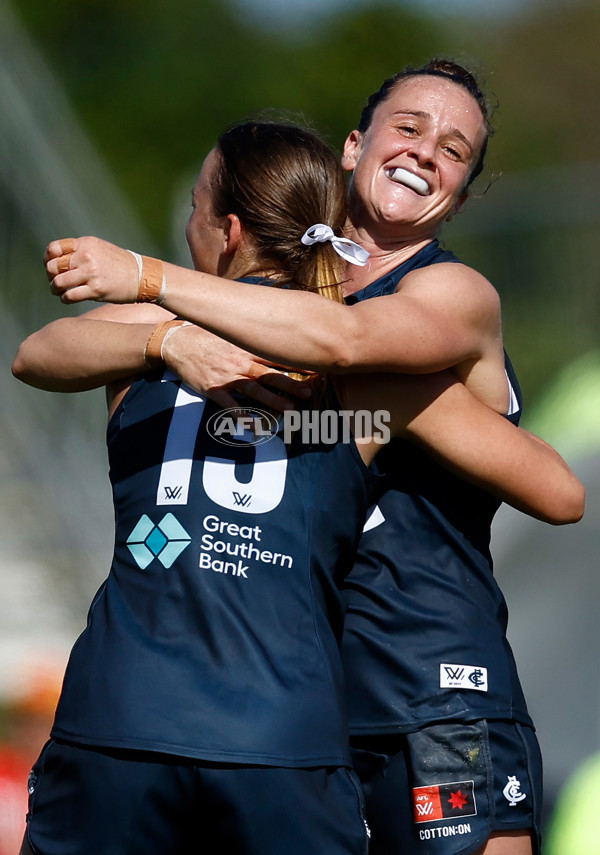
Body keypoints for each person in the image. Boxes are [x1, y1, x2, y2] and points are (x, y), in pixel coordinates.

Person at [14, 62, 585, 855]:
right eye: (410, 128)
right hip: (311, 697)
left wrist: (148, 279)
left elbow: (553, 486)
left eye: (455, 149)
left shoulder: (437, 302)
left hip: (433, 688)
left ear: (465, 187)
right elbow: (40, 352)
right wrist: (168, 333)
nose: (426, 153)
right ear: (353, 148)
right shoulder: (263, 324)